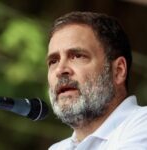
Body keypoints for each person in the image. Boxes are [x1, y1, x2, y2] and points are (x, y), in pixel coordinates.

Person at [47, 11, 147, 150]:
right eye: (53, 61)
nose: (60, 70)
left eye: (77, 56)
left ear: (118, 70)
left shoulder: (142, 124)